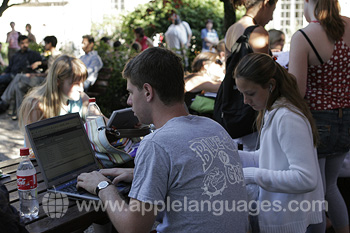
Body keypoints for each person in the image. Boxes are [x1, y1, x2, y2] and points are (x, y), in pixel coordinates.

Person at [76, 47, 249, 233]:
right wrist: (140, 175)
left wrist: (103, 187)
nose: (128, 101)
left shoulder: (157, 144)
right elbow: (192, 178)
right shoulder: (213, 127)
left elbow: (133, 228)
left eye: (131, 93)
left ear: (148, 92)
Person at [236, 53, 324, 232]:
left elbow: (306, 178)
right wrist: (231, 155)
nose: (245, 101)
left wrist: (252, 175)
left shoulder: (287, 117)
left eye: (250, 93)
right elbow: (270, 156)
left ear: (270, 85)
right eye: (242, 94)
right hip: (287, 216)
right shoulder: (272, 110)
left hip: (297, 222)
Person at [288, 0, 350, 232]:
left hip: (318, 122)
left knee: (315, 193)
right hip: (347, 119)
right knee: (331, 186)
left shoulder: (304, 36)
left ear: (307, 2)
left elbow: (298, 91)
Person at [224, 0, 277, 151]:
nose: (271, 18)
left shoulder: (231, 29)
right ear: (266, 3)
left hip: (234, 111)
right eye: (273, 9)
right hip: (254, 113)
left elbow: (228, 73)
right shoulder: (258, 32)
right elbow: (265, 75)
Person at [18, 55, 90, 148]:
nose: (81, 88)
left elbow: (105, 123)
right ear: (58, 82)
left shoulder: (81, 98)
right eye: (76, 83)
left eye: (83, 82)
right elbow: (31, 150)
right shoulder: (36, 105)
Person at [0, 36, 61, 118]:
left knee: (18, 77)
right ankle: (20, 114)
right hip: (18, 75)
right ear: (18, 44)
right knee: (18, 86)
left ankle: (4, 100)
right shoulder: (16, 55)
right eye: (22, 43)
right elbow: (45, 65)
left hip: (45, 81)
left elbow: (51, 74)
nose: (43, 46)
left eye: (45, 44)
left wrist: (35, 74)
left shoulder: (56, 56)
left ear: (49, 44)